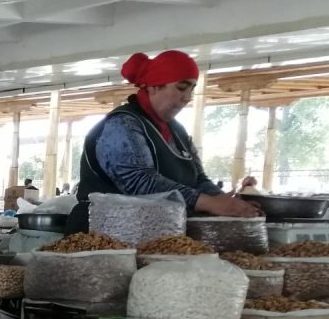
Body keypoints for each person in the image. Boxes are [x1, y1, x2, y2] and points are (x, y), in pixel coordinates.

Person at [70, 50, 260, 233]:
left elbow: (198, 179)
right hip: (103, 233)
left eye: (192, 89)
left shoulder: (176, 130)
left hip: (152, 231)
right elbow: (139, 183)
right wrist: (208, 203)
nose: (187, 98)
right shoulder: (122, 124)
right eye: (181, 88)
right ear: (154, 86)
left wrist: (229, 202)